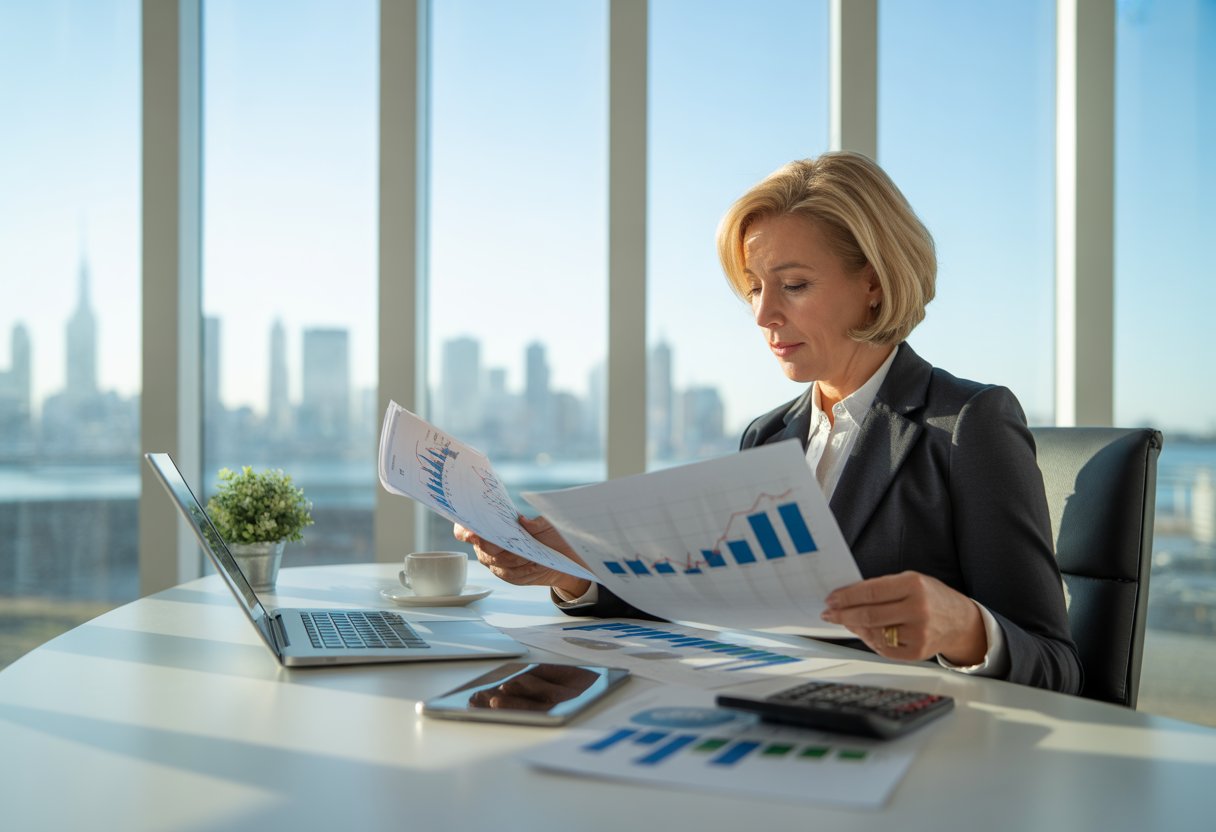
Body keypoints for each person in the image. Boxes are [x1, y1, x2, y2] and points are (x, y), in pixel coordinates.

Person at [455, 151, 1082, 694]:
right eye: (754, 288)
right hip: (766, 714)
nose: (763, 315)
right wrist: (571, 572)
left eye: (795, 285)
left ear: (874, 282)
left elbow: (1056, 664)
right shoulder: (770, 436)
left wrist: (965, 628)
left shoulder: (969, 423)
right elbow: (707, 598)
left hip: (910, 754)